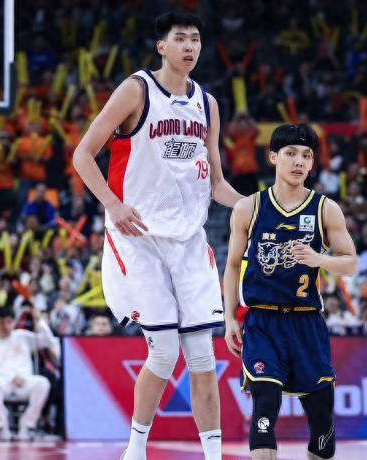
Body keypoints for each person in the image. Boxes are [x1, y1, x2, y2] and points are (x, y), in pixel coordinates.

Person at [72, 11, 243, 460]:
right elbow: (83, 155)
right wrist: (113, 205)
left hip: (189, 242)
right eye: (180, 39)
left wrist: (256, 206)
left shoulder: (208, 104)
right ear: (161, 46)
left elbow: (217, 184)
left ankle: (213, 455)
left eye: (196, 40)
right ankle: (136, 448)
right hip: (138, 237)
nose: (190, 46)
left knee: (203, 357)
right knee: (164, 352)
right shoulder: (136, 89)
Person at [223, 124, 358, 460]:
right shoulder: (249, 208)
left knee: (322, 426)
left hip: (306, 322)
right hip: (263, 322)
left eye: (307, 156)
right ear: (273, 157)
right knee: (265, 409)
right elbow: (232, 266)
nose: (299, 161)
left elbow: (351, 263)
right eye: (291, 153)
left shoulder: (325, 208)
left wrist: (319, 259)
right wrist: (229, 318)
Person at [0, 308, 58, 441]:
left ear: (14, 322)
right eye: (1, 323)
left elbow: (48, 341)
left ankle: (27, 425)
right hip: (4, 383)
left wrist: (39, 321)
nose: (5, 326)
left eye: (8, 322)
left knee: (43, 383)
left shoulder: (23, 336)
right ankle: (3, 426)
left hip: (25, 382)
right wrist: (12, 377)